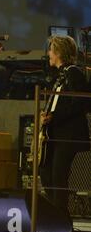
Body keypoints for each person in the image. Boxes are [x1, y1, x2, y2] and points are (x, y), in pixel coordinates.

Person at [40, 35, 89, 215]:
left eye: (51, 50)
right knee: (46, 172)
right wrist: (47, 115)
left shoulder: (73, 72)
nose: (49, 54)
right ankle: (56, 213)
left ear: (59, 52)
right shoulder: (62, 74)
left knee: (58, 177)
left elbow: (82, 102)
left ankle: (60, 218)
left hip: (68, 135)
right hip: (57, 134)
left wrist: (55, 116)